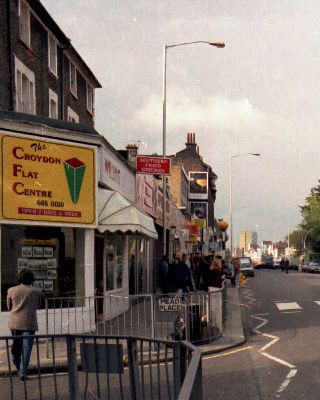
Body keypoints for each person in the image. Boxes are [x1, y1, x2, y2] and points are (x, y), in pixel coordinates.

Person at [7, 270, 43, 380]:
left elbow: (9, 307)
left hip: (15, 322)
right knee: (27, 349)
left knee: (16, 347)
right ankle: (23, 372)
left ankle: (18, 366)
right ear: (31, 280)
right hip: (29, 323)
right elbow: (39, 305)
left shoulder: (11, 290)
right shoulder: (37, 291)